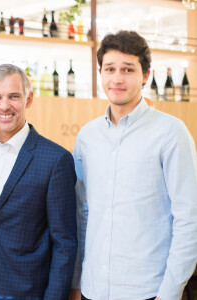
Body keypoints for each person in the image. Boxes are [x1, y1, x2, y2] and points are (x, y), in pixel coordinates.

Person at [71, 30, 197, 300]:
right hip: (93, 289)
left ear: (145, 75)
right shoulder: (87, 137)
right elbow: (82, 214)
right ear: (100, 73)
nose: (117, 78)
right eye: (110, 69)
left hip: (149, 291)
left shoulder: (171, 133)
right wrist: (77, 282)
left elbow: (189, 219)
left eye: (128, 69)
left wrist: (170, 292)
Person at [0, 64, 77, 299]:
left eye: (14, 96)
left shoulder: (56, 160)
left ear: (28, 99)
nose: (4, 106)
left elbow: (64, 244)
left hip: (26, 292)